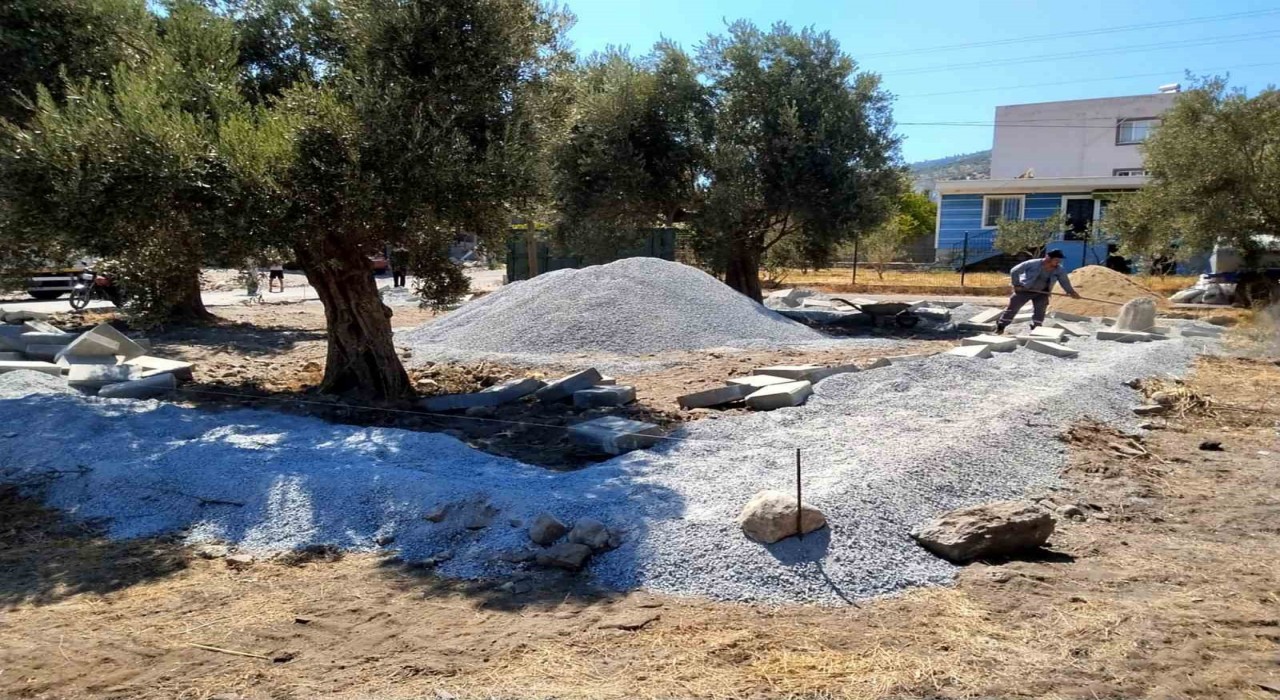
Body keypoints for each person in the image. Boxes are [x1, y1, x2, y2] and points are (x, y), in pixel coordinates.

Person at [996, 250, 1081, 334]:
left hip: (1042, 292)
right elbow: (1014, 271)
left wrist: (1071, 292)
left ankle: (1036, 327)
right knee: (1013, 308)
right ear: (1048, 258)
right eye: (1056, 260)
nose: (1058, 262)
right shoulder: (1033, 263)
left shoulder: (1059, 269)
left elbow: (1064, 281)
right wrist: (1016, 285)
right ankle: (1001, 326)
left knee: (1040, 311)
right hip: (1025, 290)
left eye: (1059, 260)